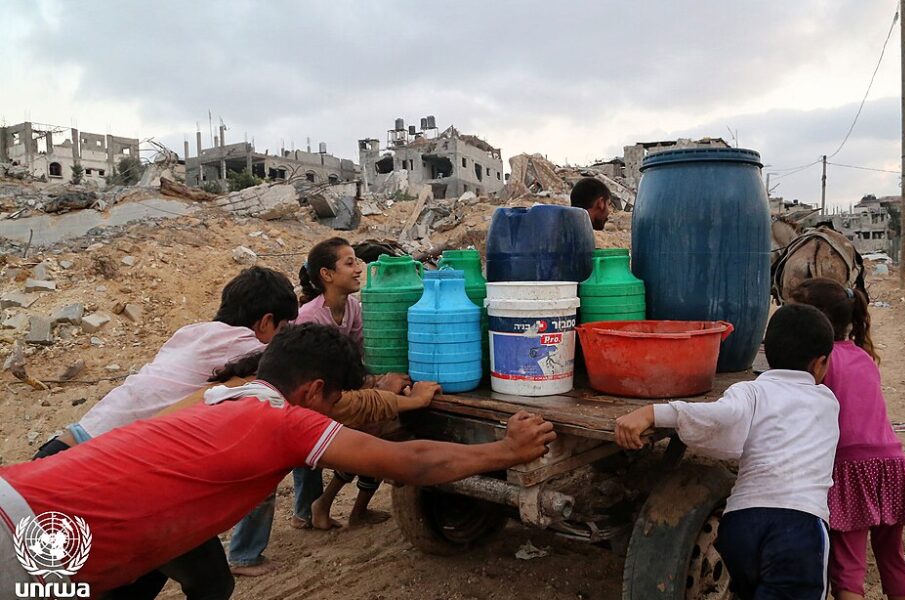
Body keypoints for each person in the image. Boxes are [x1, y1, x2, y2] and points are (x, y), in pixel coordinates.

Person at [0, 324, 557, 598]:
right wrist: (505, 451)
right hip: (29, 543)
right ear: (314, 391)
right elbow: (409, 463)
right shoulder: (285, 421)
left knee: (201, 580)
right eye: (334, 401)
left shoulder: (221, 396)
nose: (333, 412)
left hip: (22, 494)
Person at [615, 304, 840, 599]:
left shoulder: (750, 391)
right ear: (820, 363)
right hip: (798, 528)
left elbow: (719, 417)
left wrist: (653, 413)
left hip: (741, 525)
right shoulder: (827, 401)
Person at [32, 266, 298, 458]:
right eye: (283, 327)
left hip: (77, 435)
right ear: (266, 322)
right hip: (100, 455)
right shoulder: (245, 345)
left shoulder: (191, 332)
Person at [789, 278, 905, 600]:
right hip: (893, 464)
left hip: (852, 469)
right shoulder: (864, 356)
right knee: (892, 557)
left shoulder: (821, 364)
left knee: (848, 566)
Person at [290, 237, 413, 532]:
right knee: (373, 430)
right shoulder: (310, 317)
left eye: (357, 261)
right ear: (327, 274)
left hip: (338, 391)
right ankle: (324, 506)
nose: (358, 269)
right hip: (313, 400)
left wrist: (381, 381)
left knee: (380, 425)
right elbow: (313, 376)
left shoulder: (353, 308)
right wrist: (375, 388)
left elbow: (361, 356)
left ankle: (346, 509)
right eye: (349, 263)